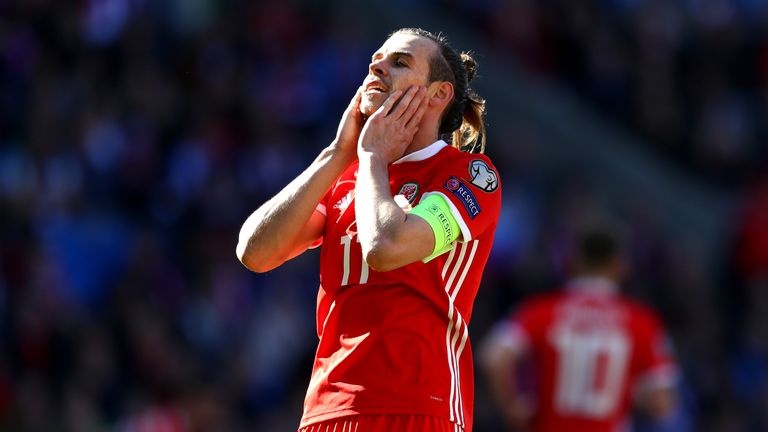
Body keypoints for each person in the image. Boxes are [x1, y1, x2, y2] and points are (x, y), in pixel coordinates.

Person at [236, 28, 501, 432]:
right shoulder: (349, 175)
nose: (377, 66)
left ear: (438, 94)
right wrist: (337, 154)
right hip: (327, 409)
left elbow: (387, 246)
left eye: (400, 62)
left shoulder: (466, 175)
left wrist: (373, 156)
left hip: (418, 407)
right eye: (376, 59)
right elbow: (254, 252)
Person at [480, 226, 678, 432]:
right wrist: (625, 390)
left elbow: (494, 358)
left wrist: (512, 409)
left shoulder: (541, 310)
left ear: (572, 260)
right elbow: (661, 402)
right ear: (621, 265)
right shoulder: (642, 323)